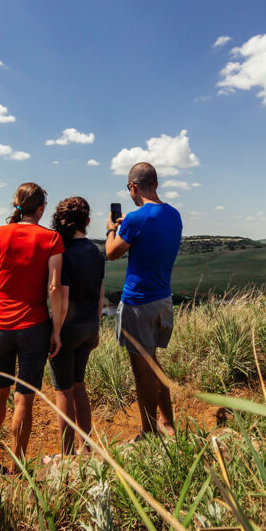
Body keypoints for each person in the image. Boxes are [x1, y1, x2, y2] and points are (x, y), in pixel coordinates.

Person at [0, 182, 65, 475]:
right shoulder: (51, 238)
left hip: (0, 325)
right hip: (34, 327)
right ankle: (16, 467)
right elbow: (54, 287)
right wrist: (56, 330)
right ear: (41, 209)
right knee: (23, 397)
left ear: (16, 206)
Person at [105, 162, 182, 438]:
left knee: (142, 372)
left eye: (129, 189)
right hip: (163, 300)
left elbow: (112, 253)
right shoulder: (174, 215)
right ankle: (168, 423)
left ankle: (149, 431)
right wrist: (130, 224)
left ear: (133, 187)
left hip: (138, 303)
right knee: (153, 362)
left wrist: (111, 229)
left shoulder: (137, 219)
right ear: (156, 184)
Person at [47, 197, 106, 458]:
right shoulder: (96, 251)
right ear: (88, 221)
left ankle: (67, 454)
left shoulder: (63, 252)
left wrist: (56, 332)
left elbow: (62, 296)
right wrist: (97, 328)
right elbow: (100, 294)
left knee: (63, 391)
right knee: (79, 385)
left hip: (67, 329)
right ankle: (85, 446)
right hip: (89, 326)